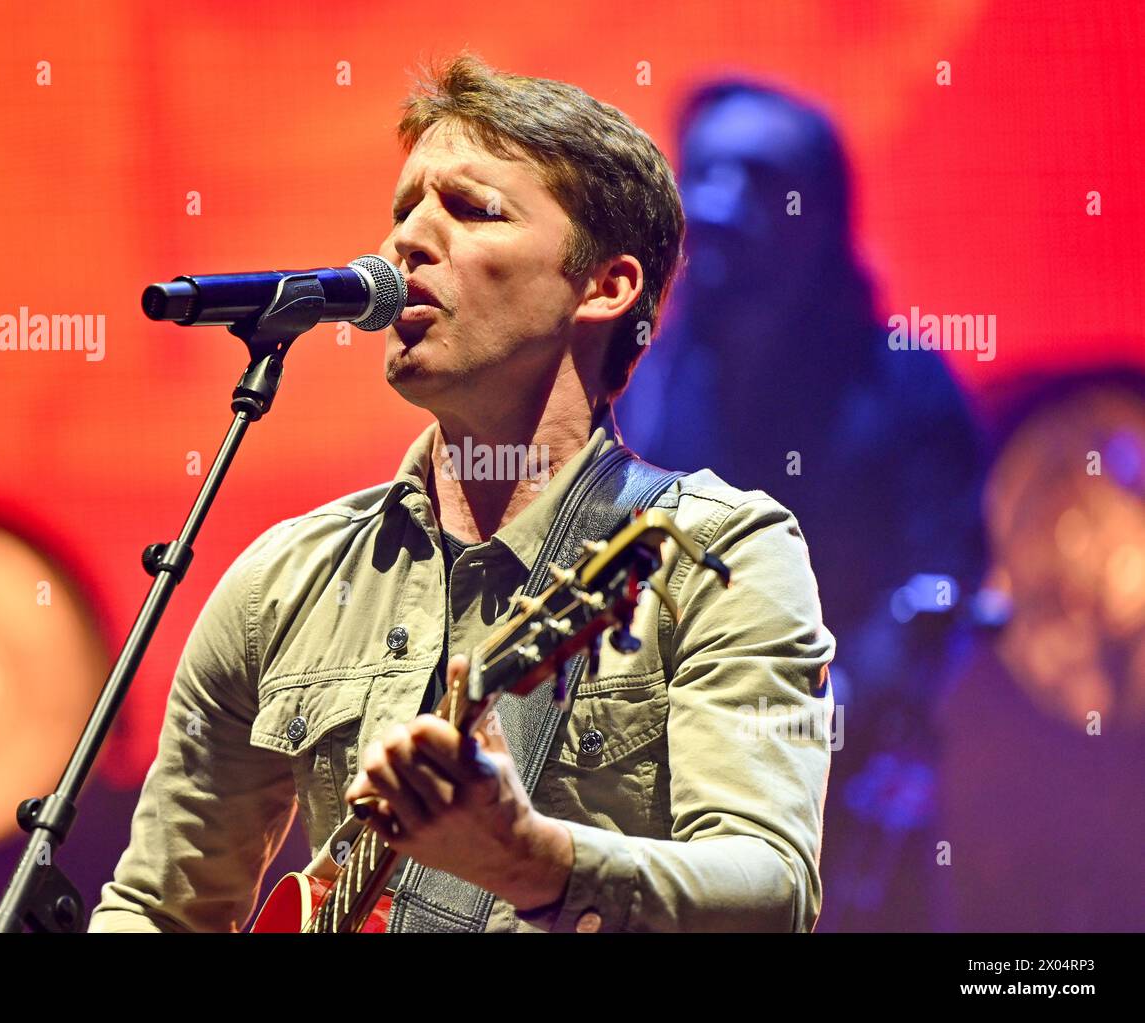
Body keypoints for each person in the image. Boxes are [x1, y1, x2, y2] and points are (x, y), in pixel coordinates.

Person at [89, 53, 835, 934]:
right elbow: (156, 909)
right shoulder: (281, 584)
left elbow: (771, 888)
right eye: (404, 209)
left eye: (473, 209)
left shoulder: (717, 555)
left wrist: (531, 858)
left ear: (607, 286)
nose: (405, 241)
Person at [615, 80, 988, 930]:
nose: (715, 203)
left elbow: (943, 582)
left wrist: (826, 706)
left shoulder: (908, 387)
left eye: (758, 177)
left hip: (849, 804)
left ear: (821, 216)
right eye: (702, 173)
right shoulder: (639, 381)